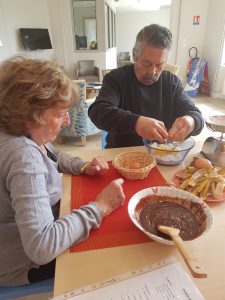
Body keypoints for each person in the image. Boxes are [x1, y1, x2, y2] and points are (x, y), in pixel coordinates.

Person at [0, 57, 125, 287]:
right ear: (29, 114)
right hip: (21, 263)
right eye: (59, 115)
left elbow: (52, 155)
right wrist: (102, 206)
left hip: (21, 241)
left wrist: (83, 166)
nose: (66, 121)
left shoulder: (19, 129)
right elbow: (42, 246)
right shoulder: (22, 156)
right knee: (111, 260)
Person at [88, 24, 204, 148]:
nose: (152, 72)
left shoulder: (172, 82)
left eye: (160, 65)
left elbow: (196, 116)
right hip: (121, 154)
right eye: (146, 63)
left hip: (161, 156)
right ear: (134, 55)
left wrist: (192, 121)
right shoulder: (116, 78)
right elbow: (98, 111)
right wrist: (136, 123)